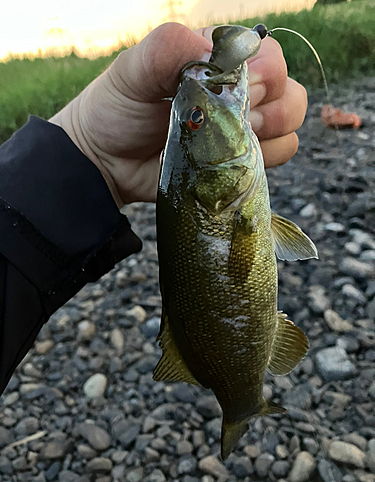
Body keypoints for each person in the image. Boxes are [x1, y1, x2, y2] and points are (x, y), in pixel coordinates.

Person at [0, 23, 307, 395]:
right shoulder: (225, 203)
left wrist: (87, 146)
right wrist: (84, 147)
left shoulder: (219, 198)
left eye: (195, 119)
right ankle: (243, 403)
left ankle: (241, 402)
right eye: (196, 120)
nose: (198, 113)